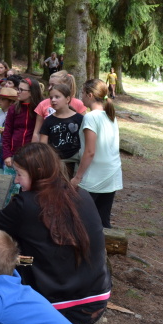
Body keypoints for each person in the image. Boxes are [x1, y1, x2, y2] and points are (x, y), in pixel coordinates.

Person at [0, 143, 111, 324]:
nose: (16, 180)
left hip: (55, 307)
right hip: (96, 299)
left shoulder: (26, 204)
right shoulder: (81, 194)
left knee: (8, 256)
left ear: (38, 172)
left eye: (19, 174)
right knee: (32, 253)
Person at [71, 79, 123, 228]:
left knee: (80, 220)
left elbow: (90, 151)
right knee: (102, 220)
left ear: (90, 95)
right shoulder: (110, 115)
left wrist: (77, 177)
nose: (81, 96)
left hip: (94, 176)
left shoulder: (91, 117)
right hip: (112, 173)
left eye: (82, 93)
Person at [40, 83, 85, 177]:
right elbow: (43, 145)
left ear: (67, 99)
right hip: (55, 162)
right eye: (51, 98)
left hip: (75, 161)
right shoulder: (48, 121)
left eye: (57, 97)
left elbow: (85, 141)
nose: (53, 100)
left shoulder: (79, 119)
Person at [33, 70, 87, 143]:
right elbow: (37, 133)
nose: (49, 88)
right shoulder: (43, 105)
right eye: (49, 85)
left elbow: (85, 131)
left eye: (53, 85)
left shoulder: (78, 104)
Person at [2, 77, 43, 168]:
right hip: (13, 155)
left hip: (32, 156)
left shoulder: (40, 110)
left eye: (21, 90)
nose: (18, 92)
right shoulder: (13, 108)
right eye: (18, 89)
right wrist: (7, 154)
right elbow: (7, 132)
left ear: (31, 92)